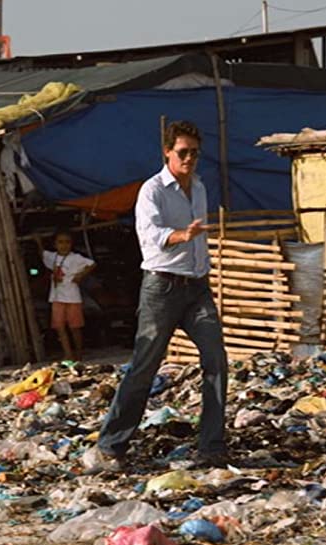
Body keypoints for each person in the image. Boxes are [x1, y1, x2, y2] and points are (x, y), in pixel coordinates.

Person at [83, 120, 230, 472]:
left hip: (195, 286)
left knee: (216, 361)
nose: (189, 159)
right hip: (162, 287)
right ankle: (111, 445)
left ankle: (211, 446)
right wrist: (184, 235)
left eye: (194, 153)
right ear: (167, 152)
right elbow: (149, 236)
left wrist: (195, 244)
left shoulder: (199, 186)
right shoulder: (152, 190)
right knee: (144, 367)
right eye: (183, 153)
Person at [36, 230, 96, 361]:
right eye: (60, 242)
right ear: (55, 244)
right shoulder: (53, 257)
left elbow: (91, 264)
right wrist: (38, 241)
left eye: (67, 242)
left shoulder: (76, 258)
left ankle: (78, 353)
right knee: (60, 328)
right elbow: (43, 254)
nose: (64, 245)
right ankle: (68, 353)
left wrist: (80, 275)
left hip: (72, 297)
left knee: (75, 327)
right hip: (57, 298)